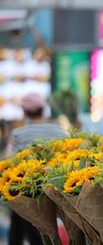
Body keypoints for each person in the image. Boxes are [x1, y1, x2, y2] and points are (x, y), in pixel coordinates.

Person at [6, 93, 67, 245]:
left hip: (27, 191)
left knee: (20, 228)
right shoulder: (59, 131)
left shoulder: (18, 134)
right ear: (43, 109)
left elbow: (10, 161)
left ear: (25, 112)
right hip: (56, 190)